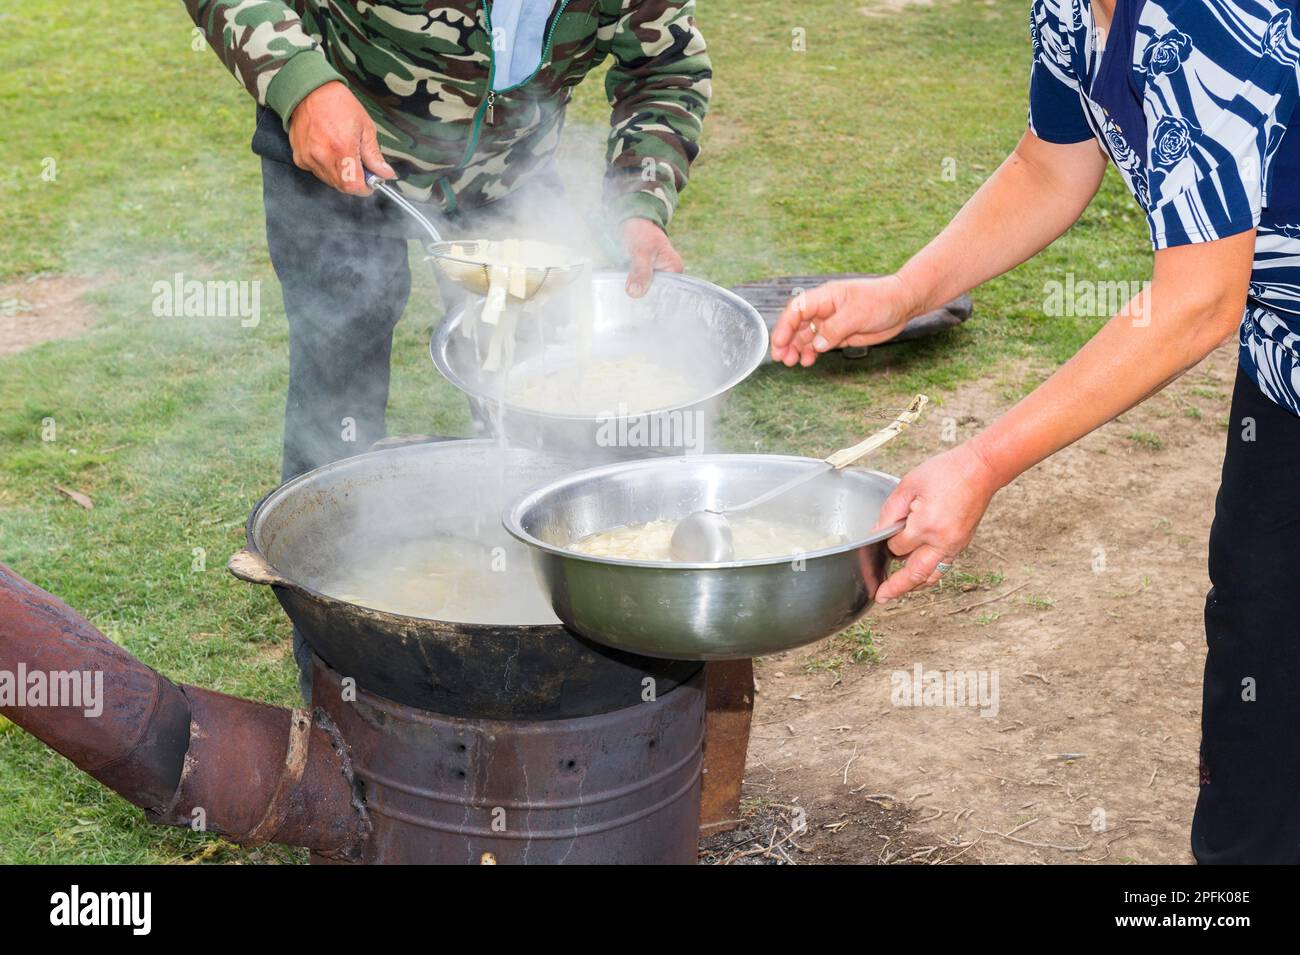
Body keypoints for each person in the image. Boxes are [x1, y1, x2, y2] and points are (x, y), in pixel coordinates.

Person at [771, 0, 1300, 864]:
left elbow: (1199, 297)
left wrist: (981, 460)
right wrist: (904, 292)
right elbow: (1049, 166)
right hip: (1286, 369)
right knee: (1262, 642)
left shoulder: (1203, 16)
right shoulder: (1069, 7)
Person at [185, 0, 711, 478]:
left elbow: (664, 70)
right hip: (336, 152)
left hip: (511, 175)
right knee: (337, 382)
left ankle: (533, 545)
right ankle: (320, 560)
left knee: (529, 374)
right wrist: (299, 83)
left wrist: (641, 202)